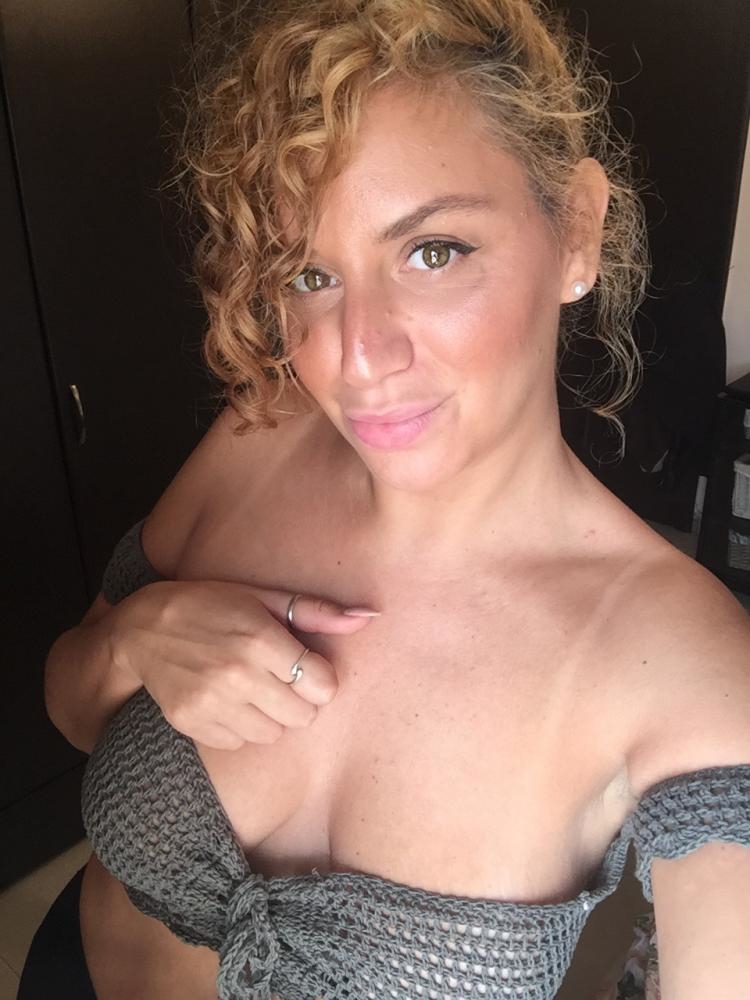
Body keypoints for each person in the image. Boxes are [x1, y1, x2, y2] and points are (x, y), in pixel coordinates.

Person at [33, 0, 750, 998]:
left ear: (576, 230)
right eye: (311, 273)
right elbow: (73, 707)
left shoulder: (684, 662)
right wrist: (133, 639)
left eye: (433, 251)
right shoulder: (264, 436)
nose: (356, 356)